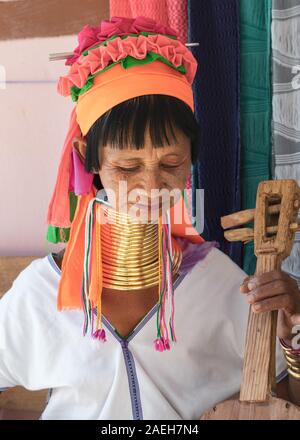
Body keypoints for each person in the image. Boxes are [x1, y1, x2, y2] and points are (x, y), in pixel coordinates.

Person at [0, 15, 299, 420]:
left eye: (171, 163)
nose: (151, 186)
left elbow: (282, 402)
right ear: (89, 157)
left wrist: (292, 340)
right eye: (127, 167)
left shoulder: (221, 284)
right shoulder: (40, 295)